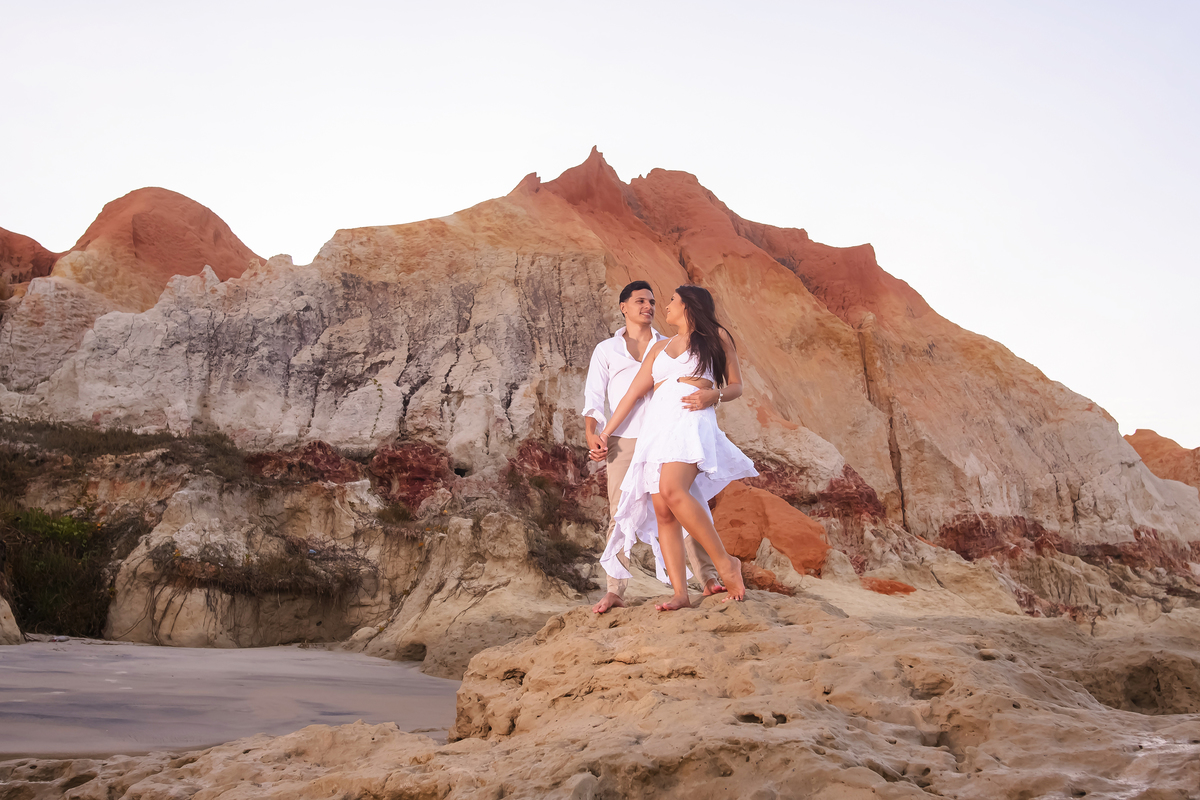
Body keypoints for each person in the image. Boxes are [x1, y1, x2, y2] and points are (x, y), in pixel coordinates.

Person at [598, 284, 757, 610]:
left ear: (688, 306)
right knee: (662, 511)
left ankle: (727, 564)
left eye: (671, 301)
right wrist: (606, 433)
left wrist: (716, 395)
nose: (665, 306)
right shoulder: (659, 348)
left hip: (690, 422)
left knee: (673, 490)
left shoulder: (716, 338)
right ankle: (680, 594)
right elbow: (631, 396)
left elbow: (737, 386)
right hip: (657, 429)